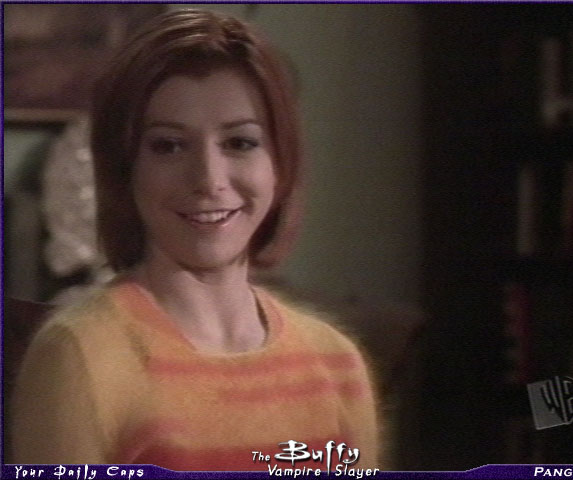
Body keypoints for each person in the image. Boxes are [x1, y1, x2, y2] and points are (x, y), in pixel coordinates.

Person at [10, 9, 380, 470]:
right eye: (168, 146)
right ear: (126, 170)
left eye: (240, 143)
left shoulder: (336, 362)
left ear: (280, 165)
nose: (208, 179)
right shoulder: (80, 356)